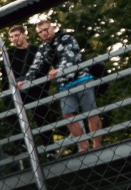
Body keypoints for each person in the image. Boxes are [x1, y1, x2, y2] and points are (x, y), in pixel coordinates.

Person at [27, 15, 102, 154]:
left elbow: (70, 57)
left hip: (81, 78)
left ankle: (97, 145)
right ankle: (83, 146)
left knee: (90, 112)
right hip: (64, 85)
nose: (44, 33)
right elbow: (36, 66)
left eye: (46, 29)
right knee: (67, 114)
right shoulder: (43, 48)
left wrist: (59, 70)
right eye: (40, 32)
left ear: (53, 28)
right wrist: (26, 80)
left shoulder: (66, 38)